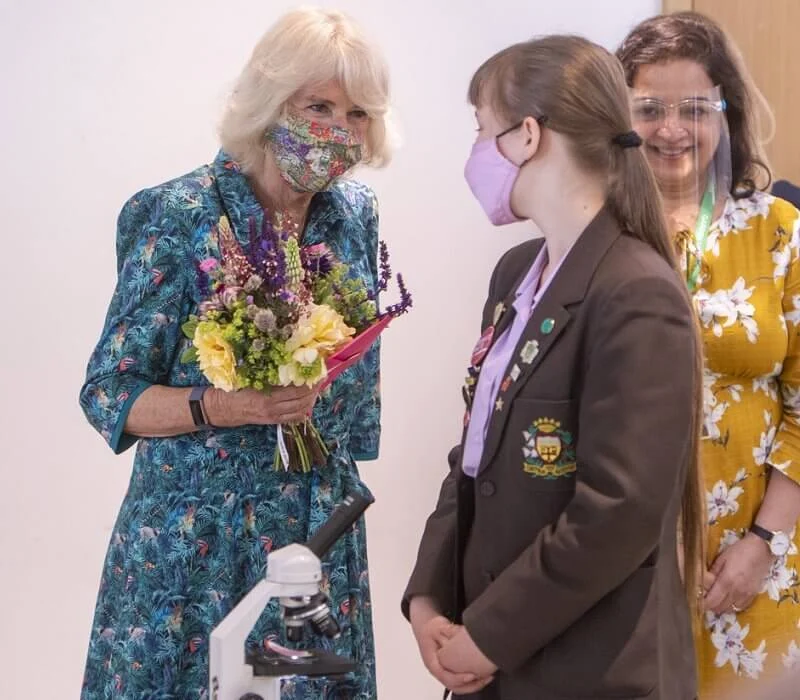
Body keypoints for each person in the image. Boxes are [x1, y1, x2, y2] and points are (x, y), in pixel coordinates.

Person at [78, 8, 392, 699]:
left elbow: (356, 385)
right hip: (196, 550)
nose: (339, 130)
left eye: (358, 112)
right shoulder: (179, 213)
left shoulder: (356, 214)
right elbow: (109, 391)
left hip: (316, 537)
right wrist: (227, 405)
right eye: (319, 106)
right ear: (269, 101)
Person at [403, 34, 704, 700]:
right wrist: (429, 595)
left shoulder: (636, 291)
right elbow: (474, 458)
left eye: (483, 130)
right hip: (497, 658)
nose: (477, 152)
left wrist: (492, 634)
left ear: (527, 135)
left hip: (588, 669)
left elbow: (617, 512)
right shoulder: (516, 274)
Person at [617, 12, 800, 698]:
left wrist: (761, 544)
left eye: (694, 108)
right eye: (649, 108)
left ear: (727, 115)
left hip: (755, 566)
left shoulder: (782, 234)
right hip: (623, 567)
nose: (670, 129)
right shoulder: (598, 238)